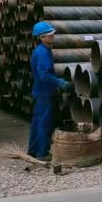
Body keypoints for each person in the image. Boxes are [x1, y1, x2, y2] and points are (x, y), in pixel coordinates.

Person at [27, 21, 72, 159]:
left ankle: (33, 150)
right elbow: (44, 75)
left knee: (37, 122)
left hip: (41, 92)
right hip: (44, 93)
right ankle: (42, 153)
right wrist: (61, 83)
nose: (53, 36)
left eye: (52, 34)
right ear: (41, 37)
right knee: (45, 123)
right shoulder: (42, 52)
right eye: (49, 35)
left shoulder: (42, 50)